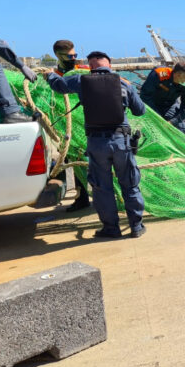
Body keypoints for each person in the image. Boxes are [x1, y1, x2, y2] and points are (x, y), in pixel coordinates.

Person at [44, 51, 146, 238]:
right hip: (122, 141)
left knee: (102, 188)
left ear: (90, 66)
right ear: (110, 65)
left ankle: (111, 229)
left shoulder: (81, 80)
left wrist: (50, 74)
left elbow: (58, 86)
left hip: (97, 143)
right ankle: (137, 227)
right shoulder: (124, 83)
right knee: (130, 184)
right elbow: (140, 111)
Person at [52, 39, 91, 212]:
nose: (74, 58)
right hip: (67, 127)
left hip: (87, 124)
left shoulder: (84, 71)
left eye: (75, 55)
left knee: (96, 160)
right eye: (69, 56)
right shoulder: (54, 76)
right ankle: (81, 198)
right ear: (58, 56)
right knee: (74, 163)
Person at [139, 62, 185, 137]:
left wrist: (172, 122)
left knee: (184, 136)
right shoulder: (159, 73)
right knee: (148, 133)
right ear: (178, 75)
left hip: (170, 106)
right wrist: (158, 117)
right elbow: (144, 95)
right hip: (152, 106)